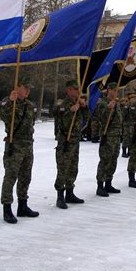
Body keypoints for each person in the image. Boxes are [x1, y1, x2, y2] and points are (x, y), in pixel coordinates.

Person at [0, 78, 39, 224]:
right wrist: (10, 101)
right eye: (25, 87)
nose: (28, 90)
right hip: (14, 145)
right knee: (11, 176)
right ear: (17, 87)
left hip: (28, 144)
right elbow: (3, 116)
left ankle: (23, 205)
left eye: (29, 88)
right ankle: (7, 208)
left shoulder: (29, 105)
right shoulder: (8, 102)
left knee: (25, 176)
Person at [53, 80, 89, 209]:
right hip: (65, 141)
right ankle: (60, 196)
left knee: (73, 168)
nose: (78, 91)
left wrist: (84, 107)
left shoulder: (78, 102)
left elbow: (87, 118)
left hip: (75, 140)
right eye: (75, 88)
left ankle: (70, 192)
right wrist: (70, 110)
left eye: (78, 88)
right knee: (63, 168)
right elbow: (58, 115)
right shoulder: (63, 103)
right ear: (68, 90)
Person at [95, 82, 122, 197]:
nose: (115, 92)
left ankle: (108, 183)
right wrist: (108, 108)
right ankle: (100, 186)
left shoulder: (117, 103)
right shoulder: (103, 103)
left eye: (116, 90)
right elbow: (100, 118)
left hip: (116, 136)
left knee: (113, 160)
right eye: (113, 90)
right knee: (105, 160)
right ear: (108, 90)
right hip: (107, 136)